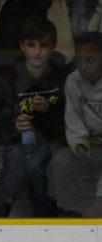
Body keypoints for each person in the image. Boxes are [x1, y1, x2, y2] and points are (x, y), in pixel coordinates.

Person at [0, 17, 69, 217]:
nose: (37, 51)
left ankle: (46, 221)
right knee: (16, 164)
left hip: (53, 140)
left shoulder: (61, 76)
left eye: (44, 45)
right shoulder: (9, 77)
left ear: (53, 47)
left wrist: (49, 108)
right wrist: (15, 123)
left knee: (35, 166)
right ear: (22, 46)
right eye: (31, 45)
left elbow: (70, 119)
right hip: (20, 139)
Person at [48, 31, 102, 216]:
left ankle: (95, 213)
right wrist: (79, 143)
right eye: (79, 60)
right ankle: (71, 213)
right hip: (91, 144)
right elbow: (73, 119)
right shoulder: (73, 80)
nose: (83, 66)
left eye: (91, 60)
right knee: (61, 162)